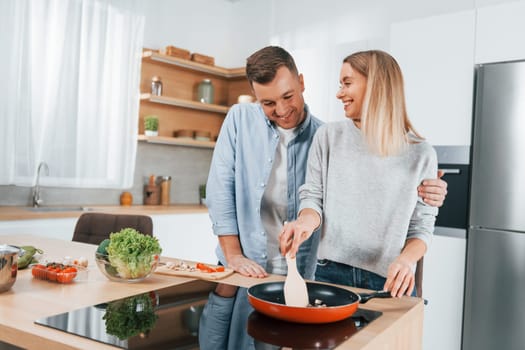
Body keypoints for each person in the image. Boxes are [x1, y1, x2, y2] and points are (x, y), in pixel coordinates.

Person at [206, 46, 447, 281]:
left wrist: (427, 195)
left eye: (288, 96)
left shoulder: (324, 134)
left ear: (301, 83)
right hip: (255, 266)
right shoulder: (325, 136)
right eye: (268, 103)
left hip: (313, 273)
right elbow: (222, 191)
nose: (281, 110)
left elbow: (419, 223)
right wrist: (234, 254)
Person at [280, 49, 438, 298]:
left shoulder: (420, 153)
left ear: (375, 85)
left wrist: (406, 261)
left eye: (347, 83)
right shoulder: (329, 137)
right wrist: (303, 224)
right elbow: (313, 198)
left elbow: (421, 228)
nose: (339, 93)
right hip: (330, 274)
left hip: (390, 282)